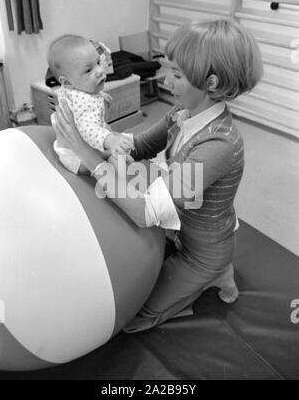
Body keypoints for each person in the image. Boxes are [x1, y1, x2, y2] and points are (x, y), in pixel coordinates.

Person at [52, 19, 263, 332]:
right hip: (176, 229)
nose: (165, 81)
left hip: (201, 251)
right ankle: (207, 271)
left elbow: (144, 213)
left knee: (132, 319)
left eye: (177, 75)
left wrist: (87, 156)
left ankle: (217, 274)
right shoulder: (182, 114)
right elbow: (138, 147)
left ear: (212, 84)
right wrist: (96, 138)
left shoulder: (218, 144)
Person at [48, 34, 134, 174]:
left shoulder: (72, 88)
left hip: (67, 148)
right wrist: (110, 140)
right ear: (67, 82)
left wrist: (100, 95)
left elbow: (81, 100)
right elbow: (89, 130)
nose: (100, 71)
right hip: (78, 158)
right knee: (118, 160)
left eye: (98, 63)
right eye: (88, 70)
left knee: (116, 142)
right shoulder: (85, 103)